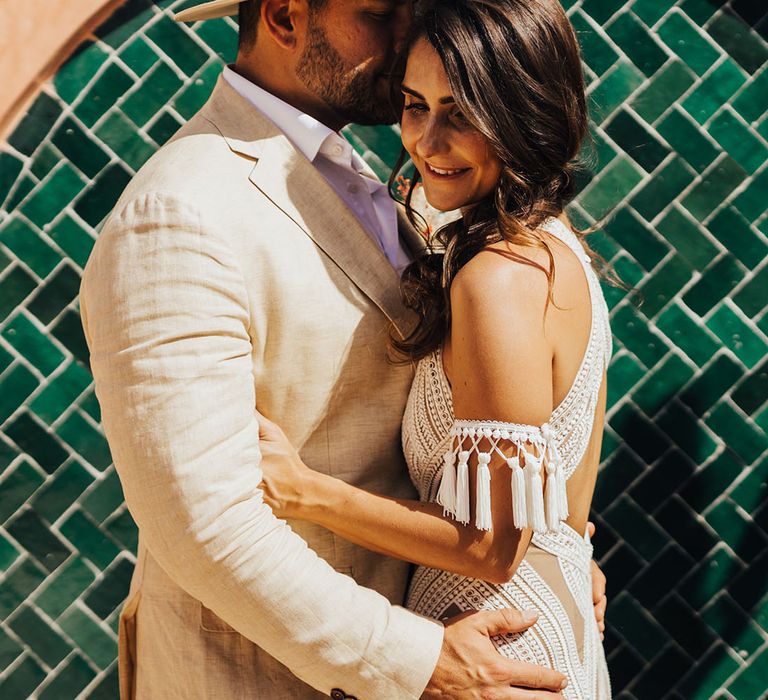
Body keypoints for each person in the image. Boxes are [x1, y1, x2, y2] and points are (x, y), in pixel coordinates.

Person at [80, 0, 604, 697]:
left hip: (486, 640)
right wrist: (414, 662)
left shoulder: (409, 193)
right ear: (286, 15)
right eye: (384, 12)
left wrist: (559, 548)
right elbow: (204, 527)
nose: (409, 33)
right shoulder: (180, 210)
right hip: (270, 677)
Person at [254, 0, 613, 697]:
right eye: (414, 105)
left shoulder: (497, 280)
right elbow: (569, 511)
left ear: (524, 112)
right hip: (542, 631)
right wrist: (577, 565)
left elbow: (493, 547)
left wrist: (303, 490)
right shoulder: (556, 246)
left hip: (503, 652)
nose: (426, 140)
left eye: (462, 112)